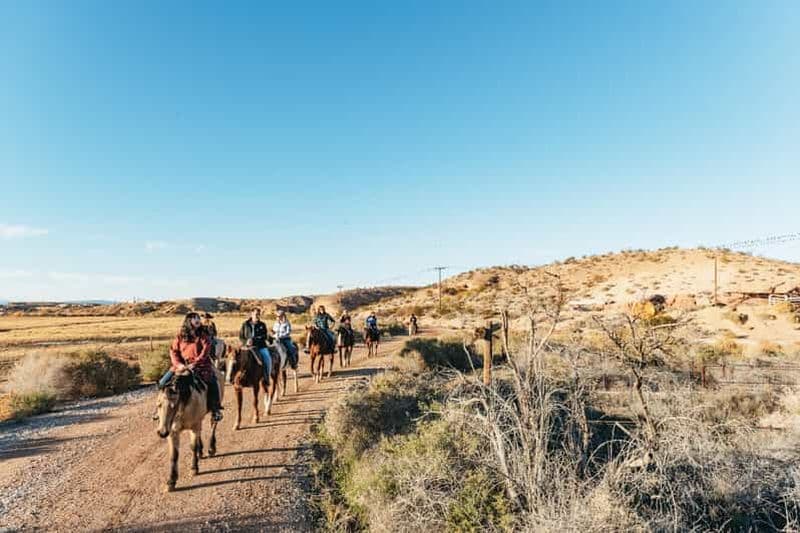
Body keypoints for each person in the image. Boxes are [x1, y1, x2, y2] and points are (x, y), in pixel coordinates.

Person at [159, 312, 223, 421]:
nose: (198, 319)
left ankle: (215, 409)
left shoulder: (203, 334)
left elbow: (205, 350)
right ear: (189, 321)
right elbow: (173, 351)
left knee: (212, 382)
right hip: (181, 366)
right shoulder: (180, 336)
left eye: (198, 317)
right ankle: (160, 409)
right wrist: (179, 364)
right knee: (162, 383)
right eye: (194, 318)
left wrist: (195, 363)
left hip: (201, 365)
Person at [239, 308, 271, 383]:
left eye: (258, 314)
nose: (257, 316)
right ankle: (234, 377)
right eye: (256, 314)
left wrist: (254, 340)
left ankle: (266, 377)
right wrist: (246, 341)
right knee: (235, 359)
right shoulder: (245, 324)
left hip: (260, 347)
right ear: (251, 314)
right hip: (247, 347)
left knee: (267, 358)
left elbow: (264, 336)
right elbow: (241, 336)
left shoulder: (262, 325)